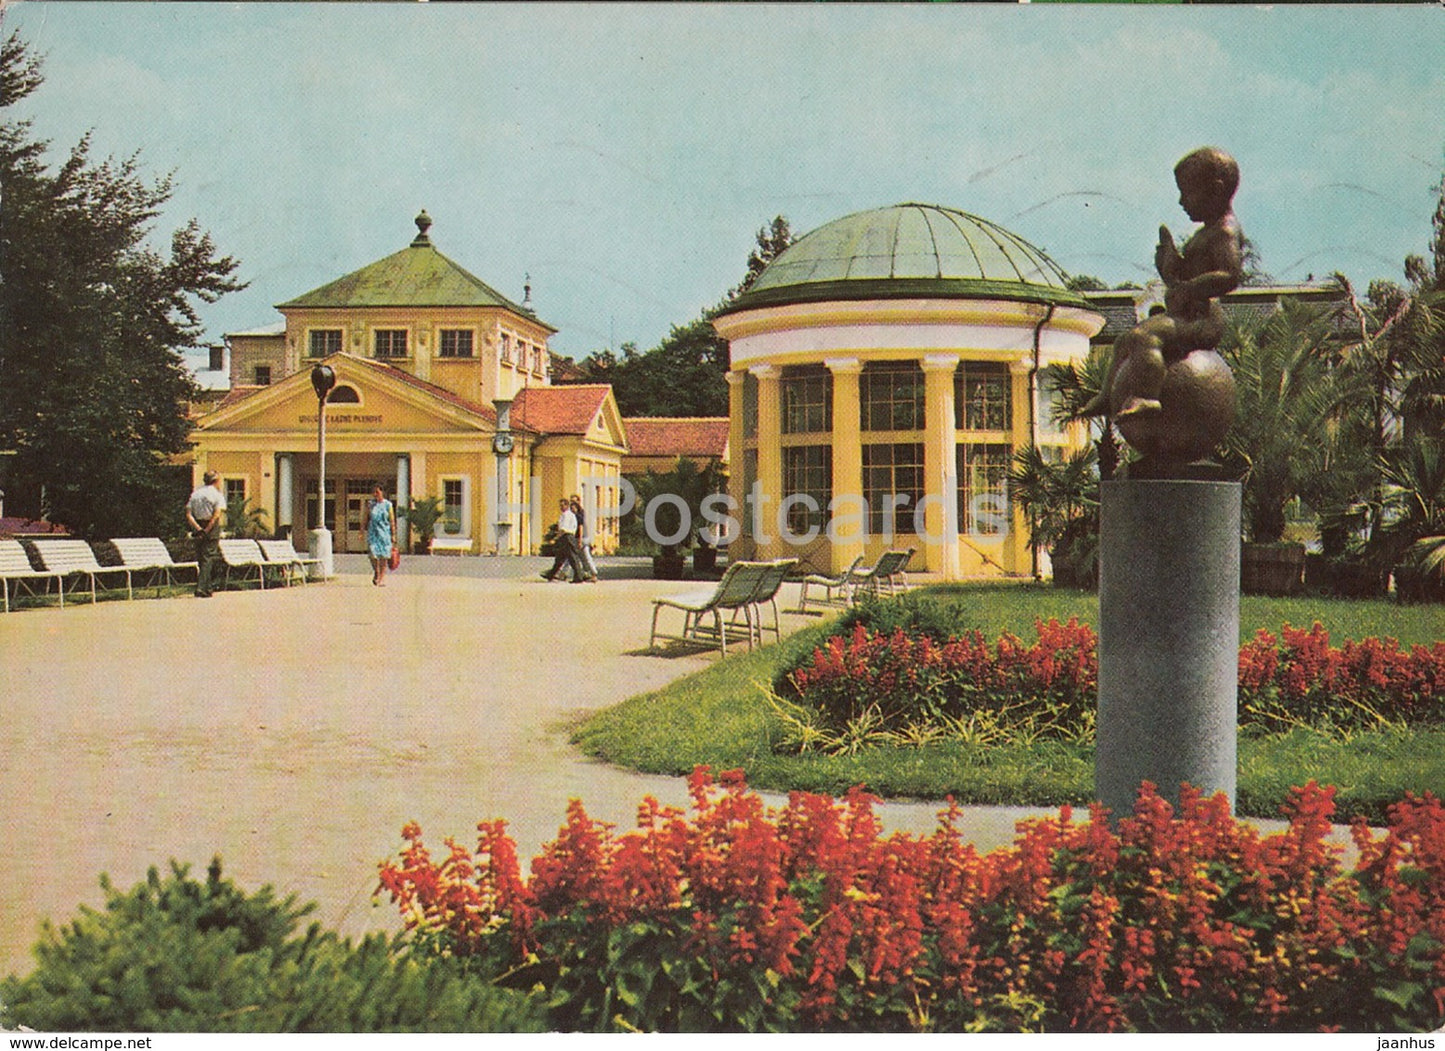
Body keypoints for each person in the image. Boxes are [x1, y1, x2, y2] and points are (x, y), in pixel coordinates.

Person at [1083, 147, 1244, 421]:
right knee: (1124, 340)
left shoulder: (1224, 231)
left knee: (1144, 337)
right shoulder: (1205, 233)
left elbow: (1229, 276)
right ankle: (1108, 395)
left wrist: (1189, 288)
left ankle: (1147, 395)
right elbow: (1183, 278)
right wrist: (1169, 265)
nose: (1182, 201)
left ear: (1215, 190)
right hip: (1187, 314)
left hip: (1202, 319)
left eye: (1187, 192)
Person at [185, 469, 227, 598]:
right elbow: (216, 514)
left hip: (197, 525)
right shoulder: (217, 495)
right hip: (211, 526)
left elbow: (188, 514)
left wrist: (197, 528)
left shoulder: (196, 494)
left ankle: (207, 588)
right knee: (208, 557)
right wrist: (207, 529)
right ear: (216, 481)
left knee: (201, 557)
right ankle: (201, 588)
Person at [541, 498, 585, 583]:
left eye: (562, 505)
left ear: (567, 505)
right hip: (565, 537)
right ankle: (551, 575)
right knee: (560, 558)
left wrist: (556, 538)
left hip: (567, 537)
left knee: (572, 558)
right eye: (560, 506)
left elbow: (563, 529)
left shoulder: (567, 515)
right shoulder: (566, 515)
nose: (561, 507)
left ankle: (579, 577)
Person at [366, 483, 398, 586]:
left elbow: (391, 520)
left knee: (384, 556)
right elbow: (365, 517)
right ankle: (376, 571)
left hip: (384, 532)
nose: (375, 494)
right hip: (373, 532)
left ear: (382, 492)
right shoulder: (370, 504)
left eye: (377, 492)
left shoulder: (388, 505)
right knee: (373, 554)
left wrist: (393, 534)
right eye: (374, 492)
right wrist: (362, 530)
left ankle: (381, 578)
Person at [570, 493, 599, 582]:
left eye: (575, 501)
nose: (573, 504)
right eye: (571, 501)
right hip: (579, 538)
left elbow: (581, 527)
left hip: (582, 538)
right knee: (578, 557)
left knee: (586, 556)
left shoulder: (579, 514)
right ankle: (585, 573)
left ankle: (593, 573)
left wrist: (579, 539)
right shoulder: (574, 514)